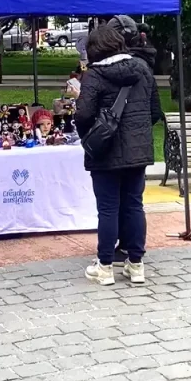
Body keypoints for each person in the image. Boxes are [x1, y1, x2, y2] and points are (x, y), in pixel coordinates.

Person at [75, 22, 162, 286]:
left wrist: (89, 135)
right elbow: (155, 111)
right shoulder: (143, 69)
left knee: (108, 209)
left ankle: (104, 267)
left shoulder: (94, 75)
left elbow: (83, 114)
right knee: (134, 205)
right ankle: (136, 265)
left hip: (105, 153)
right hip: (138, 150)